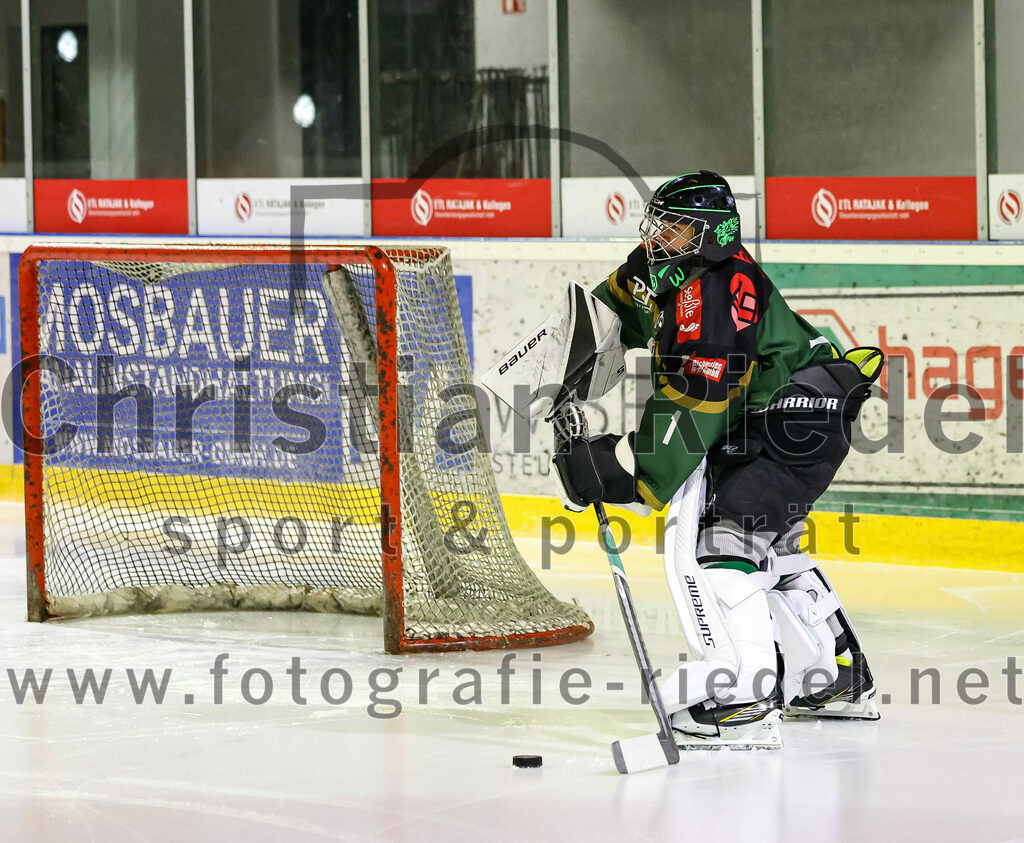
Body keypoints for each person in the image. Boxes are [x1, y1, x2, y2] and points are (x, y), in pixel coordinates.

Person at [551, 171, 883, 748]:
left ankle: (746, 701)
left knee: (726, 545)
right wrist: (558, 359)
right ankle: (831, 680)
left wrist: (625, 467)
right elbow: (622, 306)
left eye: (674, 229)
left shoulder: (714, 295)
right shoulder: (682, 269)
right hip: (788, 415)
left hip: (791, 423)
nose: (659, 239)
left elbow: (700, 397)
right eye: (658, 227)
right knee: (770, 548)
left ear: (710, 233)